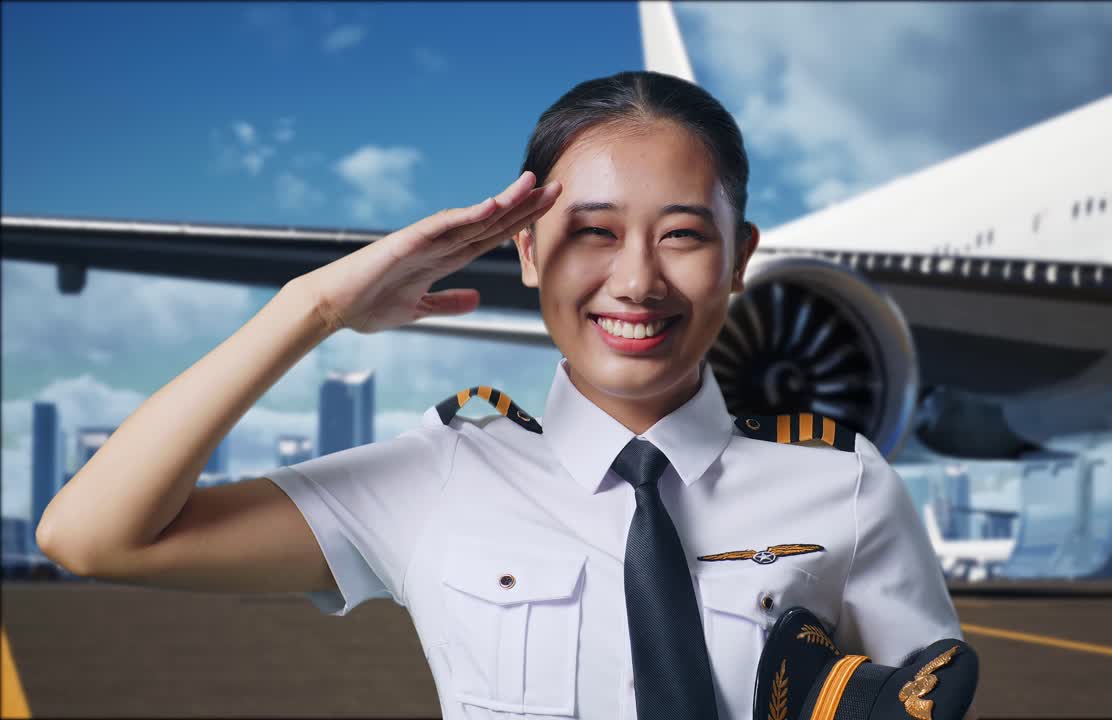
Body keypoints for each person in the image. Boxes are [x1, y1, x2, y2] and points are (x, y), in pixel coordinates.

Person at [35, 71, 967, 720]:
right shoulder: (438, 478)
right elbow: (91, 534)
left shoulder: (843, 487)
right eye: (591, 232)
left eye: (682, 235)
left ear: (739, 260)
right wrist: (312, 306)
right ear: (524, 251)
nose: (636, 280)